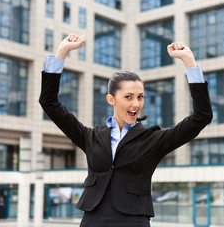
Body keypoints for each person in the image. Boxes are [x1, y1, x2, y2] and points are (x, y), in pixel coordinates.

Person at [39, 34, 213, 227]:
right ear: (111, 99)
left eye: (140, 97)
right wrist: (61, 53)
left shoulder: (153, 139)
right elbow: (49, 102)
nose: (136, 103)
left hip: (134, 219)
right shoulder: (91, 137)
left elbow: (202, 116)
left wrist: (189, 62)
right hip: (93, 218)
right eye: (128, 97)